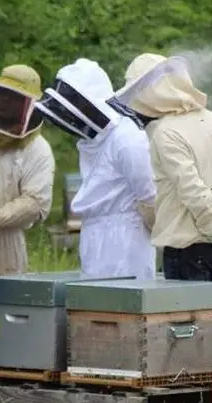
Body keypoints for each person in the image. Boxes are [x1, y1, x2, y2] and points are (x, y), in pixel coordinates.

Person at [115, 53, 212, 281]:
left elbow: (192, 190)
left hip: (187, 251)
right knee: (209, 315)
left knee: (186, 317)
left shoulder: (165, 132)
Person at [33, 58, 158, 279]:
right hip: (93, 232)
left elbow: (148, 195)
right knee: (91, 306)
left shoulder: (128, 138)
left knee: (124, 306)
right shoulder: (94, 140)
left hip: (128, 236)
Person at [0, 65, 55, 275]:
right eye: (2, 95)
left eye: (14, 99)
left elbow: (35, 203)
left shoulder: (37, 150)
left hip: (5, 244)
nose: (5, 102)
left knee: (3, 305)